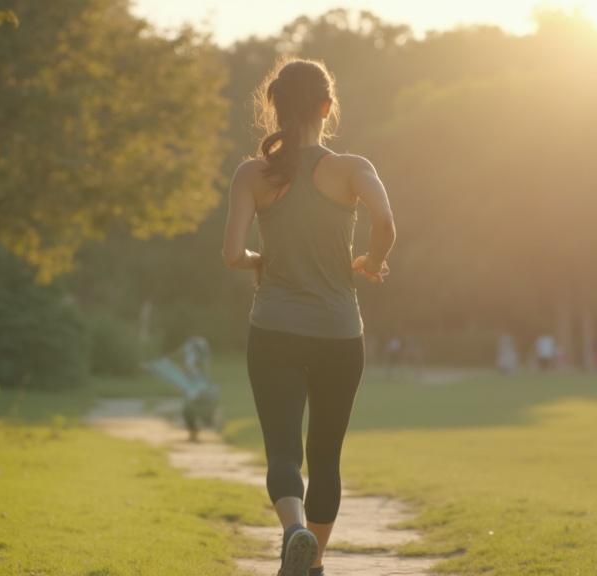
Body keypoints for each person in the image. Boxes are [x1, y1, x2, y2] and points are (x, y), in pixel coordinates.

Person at [222, 58, 396, 576]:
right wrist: (372, 261)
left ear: (276, 106)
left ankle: (294, 532)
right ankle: (312, 561)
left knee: (281, 450)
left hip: (273, 329)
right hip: (340, 335)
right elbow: (385, 220)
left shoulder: (252, 174)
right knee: (325, 457)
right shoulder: (352, 168)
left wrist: (260, 262)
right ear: (326, 106)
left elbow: (232, 254)